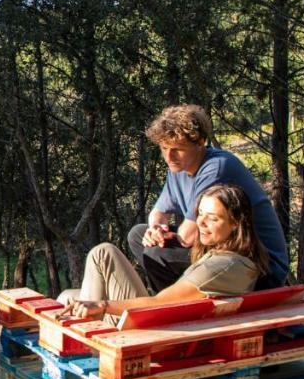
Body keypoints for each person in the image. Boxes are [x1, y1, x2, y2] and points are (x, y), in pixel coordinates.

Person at [128, 104, 289, 291]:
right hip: (220, 251)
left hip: (257, 266)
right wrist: (155, 229)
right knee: (138, 235)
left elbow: (188, 237)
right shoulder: (179, 168)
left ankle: (177, 308)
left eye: (177, 149)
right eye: (164, 148)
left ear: (201, 142)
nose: (169, 157)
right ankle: (179, 301)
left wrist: (160, 239)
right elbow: (159, 212)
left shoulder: (217, 167)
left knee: (157, 253)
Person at [59, 183, 270, 320]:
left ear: (235, 224)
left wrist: (102, 305)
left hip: (156, 335)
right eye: (201, 214)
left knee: (103, 253)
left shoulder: (219, 268)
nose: (201, 223)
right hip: (174, 327)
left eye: (213, 218)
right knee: (67, 297)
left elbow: (159, 304)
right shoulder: (239, 259)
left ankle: (86, 348)